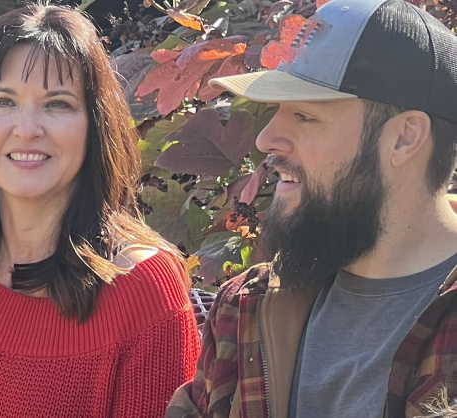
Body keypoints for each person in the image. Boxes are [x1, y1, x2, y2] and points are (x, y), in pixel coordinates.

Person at [0, 4, 201, 417]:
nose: (27, 129)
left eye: (57, 104)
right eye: (3, 101)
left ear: (95, 126)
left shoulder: (143, 292)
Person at [165, 0, 457, 417]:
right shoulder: (246, 309)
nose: (266, 139)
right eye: (277, 111)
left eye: (304, 115)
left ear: (404, 138)